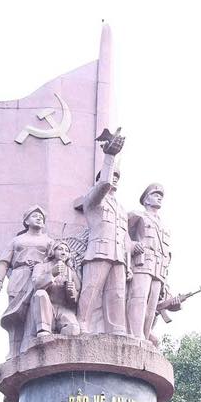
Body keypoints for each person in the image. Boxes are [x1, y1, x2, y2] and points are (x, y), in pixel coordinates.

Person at [0, 205, 76, 357]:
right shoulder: (17, 241)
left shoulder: (49, 241)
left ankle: (33, 342)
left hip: (41, 276)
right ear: (26, 221)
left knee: (36, 308)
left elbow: (55, 259)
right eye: (35, 216)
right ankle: (14, 352)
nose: (39, 218)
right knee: (15, 314)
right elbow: (4, 261)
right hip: (19, 276)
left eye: (42, 217)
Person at [73, 131, 130, 334]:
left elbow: (126, 239)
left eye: (116, 177)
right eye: (111, 175)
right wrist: (110, 157)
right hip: (98, 251)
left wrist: (129, 262)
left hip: (119, 256)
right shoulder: (93, 199)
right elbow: (103, 184)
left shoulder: (122, 209)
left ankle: (116, 329)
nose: (113, 180)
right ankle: (82, 323)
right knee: (91, 289)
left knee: (117, 294)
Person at [127, 183, 172, 344]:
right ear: (146, 199)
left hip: (159, 268)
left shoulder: (163, 225)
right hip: (142, 263)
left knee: (151, 307)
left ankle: (144, 337)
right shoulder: (137, 215)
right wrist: (132, 245)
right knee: (138, 299)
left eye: (161, 195)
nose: (159, 197)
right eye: (155, 194)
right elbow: (121, 233)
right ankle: (135, 335)